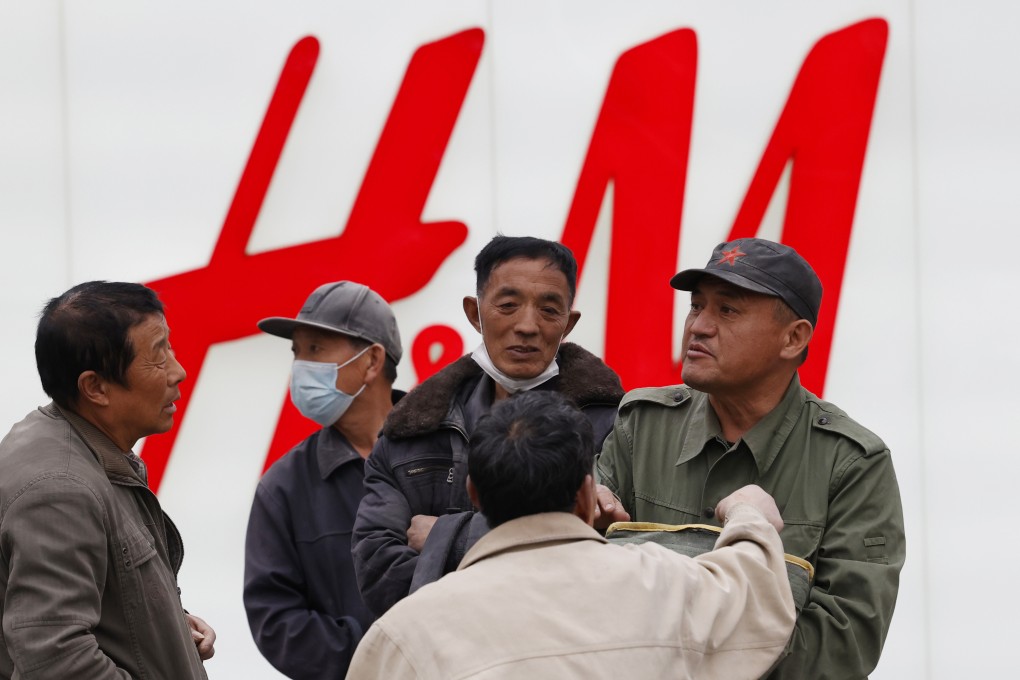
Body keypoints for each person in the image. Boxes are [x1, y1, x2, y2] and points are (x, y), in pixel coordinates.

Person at [596, 237, 905, 679]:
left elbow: (842, 647)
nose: (699, 327)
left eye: (728, 310)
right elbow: (582, 588)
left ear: (793, 338)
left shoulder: (852, 463)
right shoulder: (641, 426)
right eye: (696, 306)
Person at [347, 390, 796, 679]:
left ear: (473, 495)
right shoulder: (666, 584)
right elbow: (754, 595)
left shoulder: (402, 635)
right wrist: (747, 515)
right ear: (586, 496)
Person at [352, 235, 625, 616]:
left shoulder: (617, 428)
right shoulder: (412, 432)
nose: (527, 326)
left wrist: (448, 538)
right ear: (474, 312)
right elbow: (378, 567)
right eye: (508, 305)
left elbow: (624, 559)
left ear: (568, 323)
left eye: (549, 310)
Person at [0, 281, 214, 678]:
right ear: (95, 387)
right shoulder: (59, 489)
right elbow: (54, 657)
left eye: (169, 346)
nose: (178, 371)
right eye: (157, 357)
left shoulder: (81, 445)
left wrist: (169, 627)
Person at [243, 281, 404, 679]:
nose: (300, 367)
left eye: (315, 349)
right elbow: (276, 621)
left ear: (372, 361)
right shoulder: (283, 487)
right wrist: (385, 657)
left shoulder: (452, 453)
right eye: (296, 352)